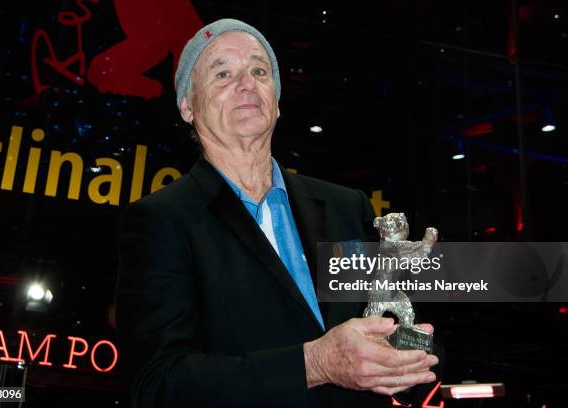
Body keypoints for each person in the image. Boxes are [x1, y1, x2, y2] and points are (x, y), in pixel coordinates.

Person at [116, 18, 442, 408]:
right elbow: (157, 384)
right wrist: (315, 364)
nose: (247, 83)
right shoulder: (162, 221)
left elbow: (408, 329)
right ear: (187, 106)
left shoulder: (346, 207)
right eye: (223, 73)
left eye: (259, 70)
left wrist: (406, 358)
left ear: (277, 99)